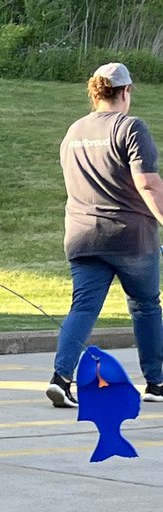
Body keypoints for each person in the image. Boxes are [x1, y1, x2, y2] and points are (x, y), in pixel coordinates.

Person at [48, 61, 163, 408]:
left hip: (82, 235)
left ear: (95, 91)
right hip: (130, 236)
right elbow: (147, 183)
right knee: (145, 306)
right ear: (125, 92)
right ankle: (156, 382)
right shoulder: (130, 127)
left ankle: (61, 378)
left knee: (83, 306)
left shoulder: (74, 131)